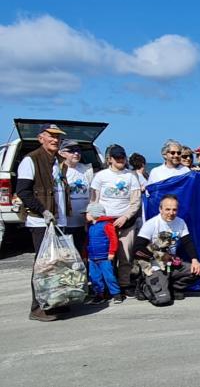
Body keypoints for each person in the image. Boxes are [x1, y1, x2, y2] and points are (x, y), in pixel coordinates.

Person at [15, 124, 71, 321]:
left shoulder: (57, 161)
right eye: (51, 136)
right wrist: (43, 211)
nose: (55, 140)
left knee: (57, 265)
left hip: (59, 221)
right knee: (42, 266)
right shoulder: (31, 160)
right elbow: (23, 191)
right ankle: (37, 307)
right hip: (41, 223)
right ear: (40, 138)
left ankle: (55, 302)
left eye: (58, 137)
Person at [89, 145, 141, 297]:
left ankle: (124, 283)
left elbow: (135, 201)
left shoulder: (131, 176)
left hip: (126, 222)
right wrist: (93, 218)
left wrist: (125, 216)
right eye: (117, 157)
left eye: (122, 157)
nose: (120, 160)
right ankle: (105, 286)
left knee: (125, 255)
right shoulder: (100, 176)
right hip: (104, 223)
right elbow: (94, 200)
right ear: (109, 159)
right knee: (105, 256)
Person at [132, 194, 200, 300]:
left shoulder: (180, 222)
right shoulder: (151, 224)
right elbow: (136, 250)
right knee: (163, 300)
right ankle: (144, 286)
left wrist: (195, 260)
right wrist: (159, 255)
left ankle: (173, 288)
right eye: (167, 209)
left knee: (197, 270)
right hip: (154, 266)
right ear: (160, 209)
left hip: (170, 264)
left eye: (174, 210)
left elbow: (188, 243)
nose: (171, 213)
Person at [84, 202, 123, 304]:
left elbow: (113, 239)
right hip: (92, 258)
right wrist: (87, 255)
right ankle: (99, 294)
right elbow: (88, 241)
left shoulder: (107, 225)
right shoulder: (90, 226)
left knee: (109, 276)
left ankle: (116, 294)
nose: (85, 215)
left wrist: (112, 252)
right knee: (95, 277)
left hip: (105, 257)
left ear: (94, 213)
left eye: (87, 213)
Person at [59, 139, 93, 255]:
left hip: (84, 220)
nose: (76, 153)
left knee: (82, 250)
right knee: (67, 253)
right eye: (72, 151)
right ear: (62, 153)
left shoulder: (87, 169)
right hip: (66, 221)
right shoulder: (58, 170)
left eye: (78, 150)